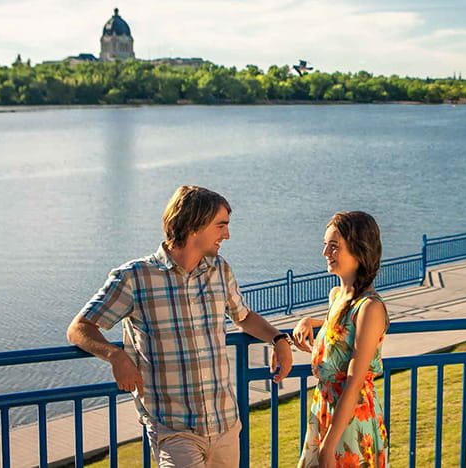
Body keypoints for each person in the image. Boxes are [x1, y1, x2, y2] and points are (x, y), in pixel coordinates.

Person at [66, 185, 293, 468]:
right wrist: (116, 356)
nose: (227, 235)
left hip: (225, 424)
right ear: (194, 226)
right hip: (173, 430)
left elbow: (243, 316)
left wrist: (279, 340)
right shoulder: (134, 278)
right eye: (221, 226)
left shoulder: (219, 270)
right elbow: (80, 328)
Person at [293, 211, 389, 468]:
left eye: (334, 247)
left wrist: (328, 446)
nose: (325, 252)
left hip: (350, 421)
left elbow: (354, 382)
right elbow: (338, 330)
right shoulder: (337, 296)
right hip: (325, 412)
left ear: (358, 251)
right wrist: (309, 322)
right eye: (325, 245)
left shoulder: (370, 308)